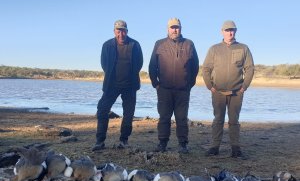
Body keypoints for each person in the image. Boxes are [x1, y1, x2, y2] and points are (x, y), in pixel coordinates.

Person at [202, 20, 254, 158]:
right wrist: (210, 86)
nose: (230, 32)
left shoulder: (243, 48)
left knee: (234, 121)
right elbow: (206, 68)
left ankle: (235, 149)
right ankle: (214, 147)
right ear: (222, 32)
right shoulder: (214, 49)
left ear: (235, 32)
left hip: (237, 92)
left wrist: (244, 87)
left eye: (232, 30)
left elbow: (249, 69)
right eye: (227, 30)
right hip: (218, 92)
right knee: (218, 119)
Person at [149, 18, 199, 153]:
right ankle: (162, 143)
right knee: (164, 117)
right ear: (167, 29)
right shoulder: (159, 44)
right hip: (164, 89)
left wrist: (189, 85)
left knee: (182, 118)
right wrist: (156, 84)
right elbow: (152, 66)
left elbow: (195, 66)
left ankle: (183, 144)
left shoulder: (189, 44)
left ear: (181, 29)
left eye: (177, 27)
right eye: (172, 27)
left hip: (183, 90)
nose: (174, 30)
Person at [92, 20, 143, 151]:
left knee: (129, 113)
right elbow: (104, 64)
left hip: (130, 85)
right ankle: (100, 141)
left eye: (123, 30)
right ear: (114, 31)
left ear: (127, 31)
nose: (121, 33)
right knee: (102, 109)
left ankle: (124, 140)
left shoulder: (135, 45)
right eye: (118, 30)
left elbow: (139, 64)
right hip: (111, 85)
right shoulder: (107, 45)